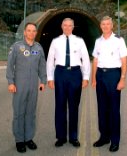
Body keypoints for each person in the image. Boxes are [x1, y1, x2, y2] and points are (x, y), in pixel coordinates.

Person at [46, 17, 90, 148]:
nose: (67, 27)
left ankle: (73, 137)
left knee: (74, 107)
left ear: (73, 27)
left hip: (75, 74)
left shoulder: (79, 41)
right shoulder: (55, 41)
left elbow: (86, 59)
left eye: (70, 25)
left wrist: (86, 77)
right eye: (65, 25)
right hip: (60, 73)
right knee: (60, 106)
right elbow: (50, 60)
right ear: (61, 26)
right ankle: (61, 137)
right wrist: (50, 78)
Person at [6, 22, 47, 153]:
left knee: (30, 113)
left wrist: (43, 81)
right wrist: (11, 82)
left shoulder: (39, 48)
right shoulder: (17, 47)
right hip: (19, 86)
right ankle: (19, 140)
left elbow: (42, 66)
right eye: (28, 30)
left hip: (33, 87)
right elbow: (10, 66)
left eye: (33, 31)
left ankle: (29, 138)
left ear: (36, 33)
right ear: (24, 32)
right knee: (19, 113)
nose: (31, 33)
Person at [91, 16, 127, 153]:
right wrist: (94, 78)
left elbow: (124, 60)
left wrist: (122, 78)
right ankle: (104, 137)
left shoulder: (119, 40)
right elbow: (95, 60)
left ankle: (115, 140)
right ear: (100, 26)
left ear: (112, 26)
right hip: (100, 75)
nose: (105, 26)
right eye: (103, 24)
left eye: (108, 24)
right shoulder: (98, 41)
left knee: (113, 109)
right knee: (102, 108)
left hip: (114, 75)